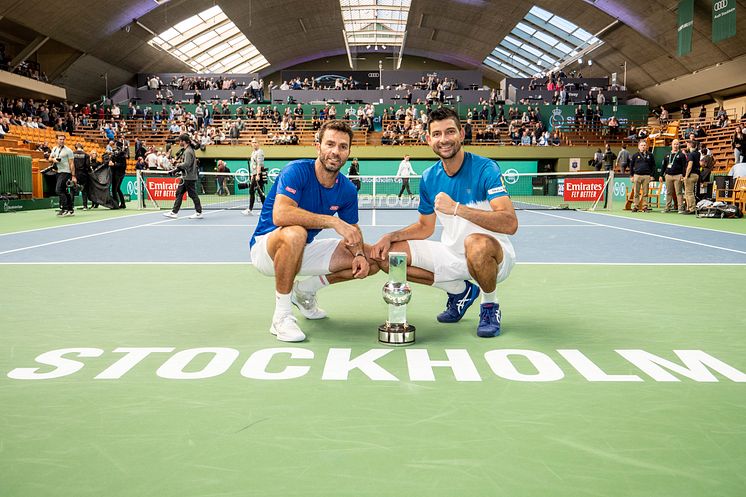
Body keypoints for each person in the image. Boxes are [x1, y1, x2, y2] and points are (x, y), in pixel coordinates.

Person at [370, 107, 518, 338]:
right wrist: (390, 237)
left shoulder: (486, 168)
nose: (444, 139)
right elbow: (424, 227)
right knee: (391, 257)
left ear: (461, 133)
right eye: (437, 134)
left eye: (450, 132)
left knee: (475, 243)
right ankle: (460, 292)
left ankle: (489, 305)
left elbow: (510, 223)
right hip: (452, 254)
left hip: (493, 257)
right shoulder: (429, 177)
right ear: (428, 139)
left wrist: (457, 209)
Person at [249, 120, 378, 342]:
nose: (335, 151)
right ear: (317, 146)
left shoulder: (347, 189)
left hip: (302, 250)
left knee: (372, 258)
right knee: (296, 232)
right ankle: (281, 317)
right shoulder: (296, 171)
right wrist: (332, 222)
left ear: (348, 152)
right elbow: (281, 215)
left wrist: (358, 254)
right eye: (330, 144)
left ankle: (305, 291)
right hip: (268, 249)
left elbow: (352, 230)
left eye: (342, 146)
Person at [163, 134, 203, 219]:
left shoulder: (188, 151)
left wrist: (177, 165)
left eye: (180, 141)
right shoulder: (187, 150)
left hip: (189, 177)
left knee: (192, 194)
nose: (179, 142)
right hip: (185, 177)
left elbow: (187, 164)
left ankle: (199, 212)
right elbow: (184, 166)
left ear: (184, 141)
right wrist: (174, 171)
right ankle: (174, 212)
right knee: (179, 193)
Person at [50, 134, 76, 216]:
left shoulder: (68, 150)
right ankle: (70, 208)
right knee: (63, 191)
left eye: (63, 139)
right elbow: (49, 158)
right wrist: (54, 160)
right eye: (60, 139)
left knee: (58, 190)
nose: (61, 141)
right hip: (58, 172)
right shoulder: (54, 149)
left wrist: (73, 176)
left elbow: (72, 164)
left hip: (66, 172)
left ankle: (64, 208)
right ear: (57, 140)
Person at [658, 139, 687, 213]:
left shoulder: (681, 155)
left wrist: (683, 175)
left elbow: (684, 166)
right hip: (668, 176)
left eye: (677, 144)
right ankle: (667, 207)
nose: (675, 146)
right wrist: (661, 175)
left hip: (678, 175)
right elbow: (663, 166)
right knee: (668, 192)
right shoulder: (667, 155)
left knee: (679, 192)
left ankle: (680, 208)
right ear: (672, 145)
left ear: (679, 145)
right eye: (674, 144)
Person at [629, 140, 657, 212]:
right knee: (636, 192)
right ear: (639, 147)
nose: (643, 147)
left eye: (644, 145)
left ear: (646, 146)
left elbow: (653, 166)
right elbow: (631, 166)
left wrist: (652, 175)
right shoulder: (635, 155)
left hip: (646, 176)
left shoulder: (650, 155)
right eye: (641, 145)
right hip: (637, 175)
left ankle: (645, 206)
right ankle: (636, 206)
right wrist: (631, 176)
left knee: (645, 193)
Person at [243, 139, 266, 216]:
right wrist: (252, 175)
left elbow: (259, 164)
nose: (254, 144)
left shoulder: (260, 152)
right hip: (254, 175)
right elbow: (253, 165)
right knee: (252, 191)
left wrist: (258, 175)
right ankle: (250, 209)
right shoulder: (253, 153)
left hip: (258, 175)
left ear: (258, 143)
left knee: (260, 192)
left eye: (255, 142)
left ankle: (264, 209)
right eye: (253, 142)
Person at [682, 139, 700, 215]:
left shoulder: (691, 154)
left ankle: (691, 208)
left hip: (691, 175)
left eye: (687, 144)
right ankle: (689, 207)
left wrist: (686, 176)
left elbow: (690, 165)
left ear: (689, 145)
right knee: (690, 192)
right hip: (696, 174)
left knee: (688, 193)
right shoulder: (697, 153)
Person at [72, 143, 92, 210]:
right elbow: (88, 166)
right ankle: (85, 206)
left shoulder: (72, 154)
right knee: (84, 190)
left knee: (72, 190)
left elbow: (71, 164)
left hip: (75, 174)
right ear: (82, 147)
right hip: (83, 174)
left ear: (76, 147)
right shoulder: (86, 155)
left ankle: (71, 205)